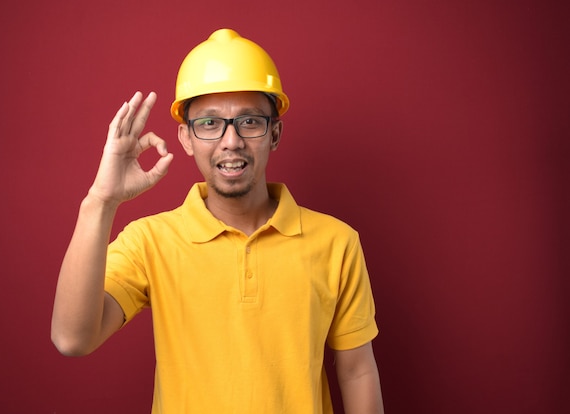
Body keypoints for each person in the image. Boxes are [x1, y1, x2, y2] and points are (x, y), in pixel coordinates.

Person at [51, 28, 384, 413]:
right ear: (186, 138)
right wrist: (101, 201)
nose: (231, 141)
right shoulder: (150, 241)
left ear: (274, 133)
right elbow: (71, 339)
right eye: (209, 124)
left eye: (250, 122)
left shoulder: (336, 242)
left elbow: (357, 371)